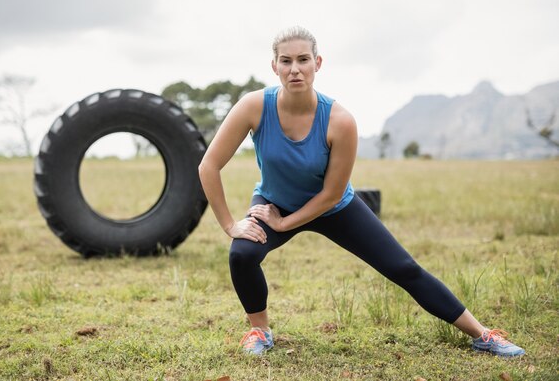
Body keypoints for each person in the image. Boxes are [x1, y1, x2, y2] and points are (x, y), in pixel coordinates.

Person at [197, 26, 525, 358]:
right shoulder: (254, 107)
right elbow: (208, 166)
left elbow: (329, 194)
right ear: (274, 66)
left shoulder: (340, 121)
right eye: (286, 61)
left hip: (333, 208)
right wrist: (230, 225)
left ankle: (483, 334)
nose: (294, 69)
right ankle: (260, 331)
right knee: (242, 254)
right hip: (274, 203)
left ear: (318, 63)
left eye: (303, 59)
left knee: (403, 268)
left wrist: (284, 224)